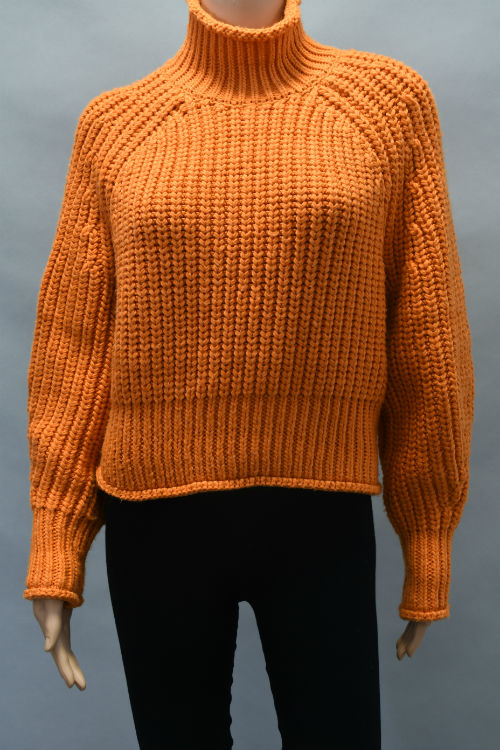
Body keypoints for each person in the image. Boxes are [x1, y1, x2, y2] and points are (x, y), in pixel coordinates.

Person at [24, 1, 474, 747]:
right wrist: (56, 542)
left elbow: (427, 332)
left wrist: (427, 533)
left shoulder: (387, 107)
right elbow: (72, 347)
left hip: (320, 516)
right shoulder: (116, 126)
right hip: (154, 521)